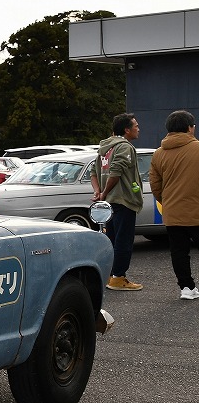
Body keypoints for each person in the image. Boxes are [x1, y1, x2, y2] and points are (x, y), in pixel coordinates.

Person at [147, 109, 199, 300]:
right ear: (189, 128)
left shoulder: (159, 153)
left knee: (179, 252)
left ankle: (186, 288)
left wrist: (167, 202)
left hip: (173, 212)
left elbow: (155, 185)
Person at [91, 113, 144, 291]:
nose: (138, 128)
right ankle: (119, 278)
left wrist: (98, 192)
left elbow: (93, 171)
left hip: (109, 204)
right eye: (135, 125)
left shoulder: (104, 147)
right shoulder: (124, 147)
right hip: (123, 200)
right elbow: (116, 171)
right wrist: (104, 192)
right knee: (124, 241)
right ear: (126, 130)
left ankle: (108, 275)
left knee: (111, 240)